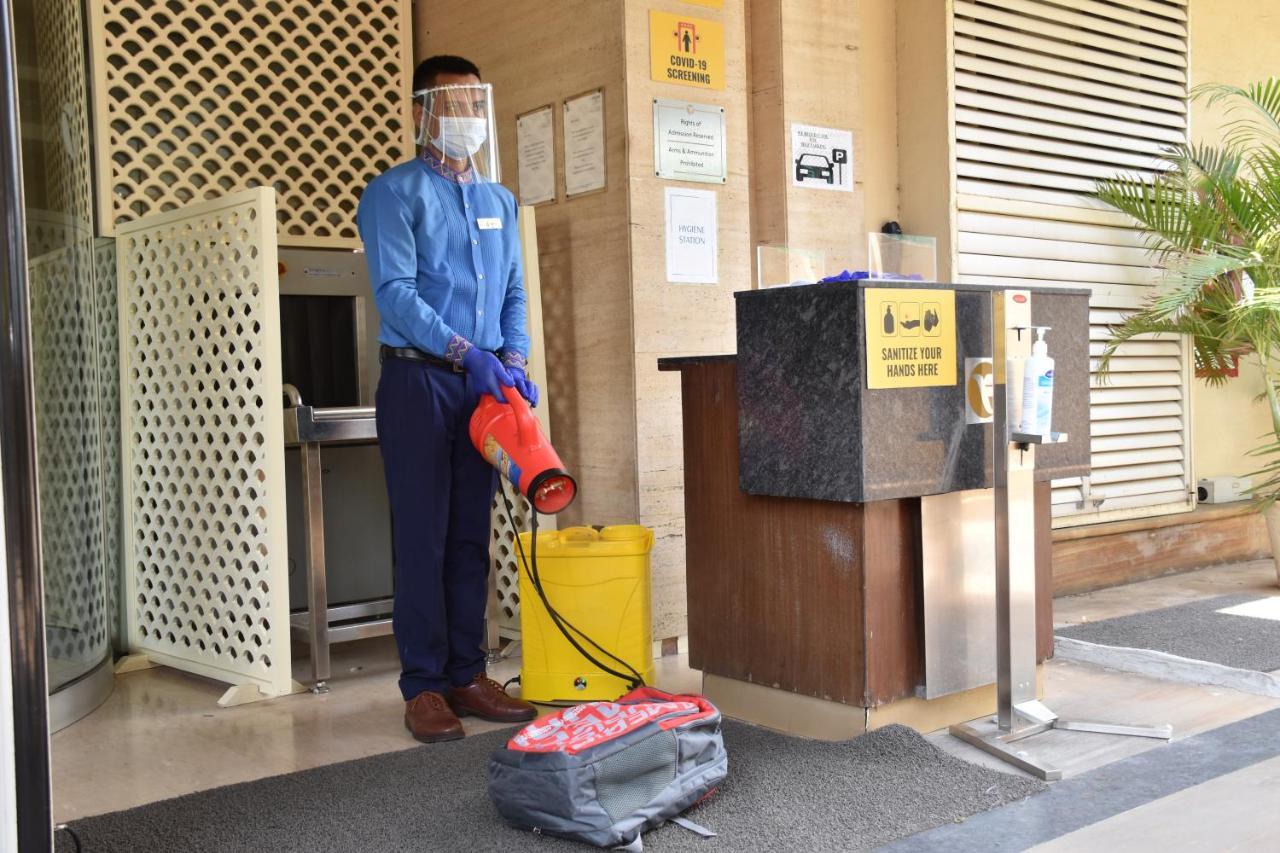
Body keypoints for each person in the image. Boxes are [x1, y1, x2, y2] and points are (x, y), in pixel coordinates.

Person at [357, 55, 539, 743]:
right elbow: (396, 293)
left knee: (472, 534)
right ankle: (424, 685)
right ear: (419, 113)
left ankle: (468, 672)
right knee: (423, 535)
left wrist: (512, 358)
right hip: (420, 381)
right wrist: (469, 352)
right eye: (452, 102)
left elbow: (515, 289)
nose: (466, 116)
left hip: (483, 391)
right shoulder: (393, 194)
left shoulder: (499, 201)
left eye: (474, 103)